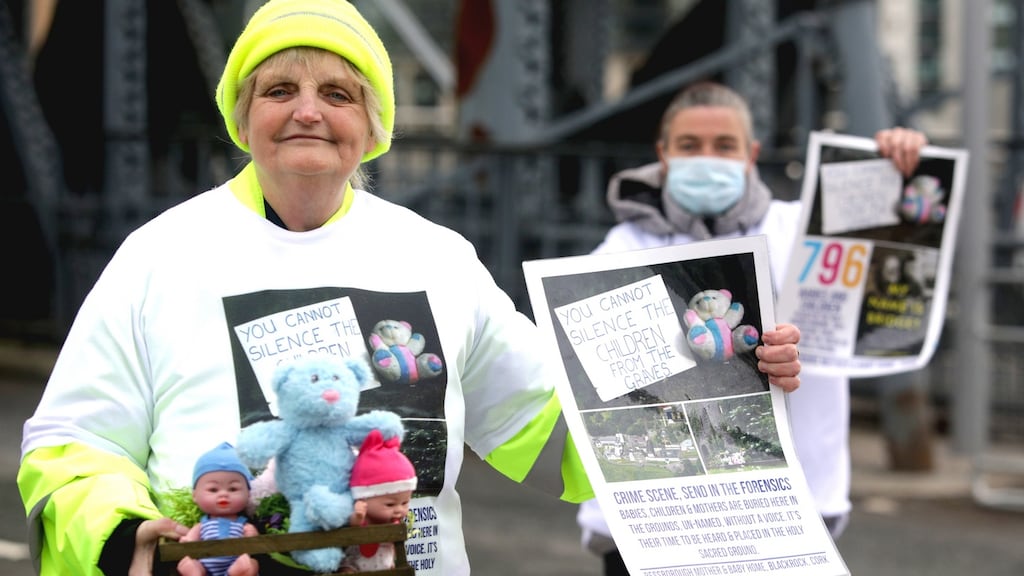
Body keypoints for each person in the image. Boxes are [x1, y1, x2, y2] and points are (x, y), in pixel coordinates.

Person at [16, 2, 803, 575]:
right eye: (278, 89)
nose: (307, 113)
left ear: (374, 122)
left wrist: (730, 376)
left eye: (338, 92)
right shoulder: (160, 254)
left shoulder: (435, 258)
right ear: (242, 113)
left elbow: (566, 416)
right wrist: (131, 540)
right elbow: (71, 445)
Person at [575, 81, 928, 575]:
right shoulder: (619, 247)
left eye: (724, 146)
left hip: (789, 510)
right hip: (655, 520)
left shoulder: (806, 232)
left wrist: (895, 167)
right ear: (662, 154)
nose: (707, 158)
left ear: (752, 153)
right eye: (689, 145)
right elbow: (588, 363)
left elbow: (894, 269)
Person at [339, 429, 418, 573]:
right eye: (390, 504)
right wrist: (358, 516)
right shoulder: (363, 516)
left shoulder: (394, 524)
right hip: (355, 566)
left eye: (405, 503)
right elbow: (353, 525)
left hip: (385, 568)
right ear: (363, 497)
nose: (399, 509)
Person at [178, 442, 260, 576]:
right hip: (207, 570)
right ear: (194, 496)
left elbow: (253, 542)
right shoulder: (201, 526)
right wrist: (188, 540)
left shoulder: (243, 524)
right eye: (213, 489)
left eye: (233, 489)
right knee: (187, 563)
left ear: (248, 494)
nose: (223, 494)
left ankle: (238, 572)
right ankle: (196, 572)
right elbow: (191, 539)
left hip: (235, 565)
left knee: (250, 564)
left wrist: (251, 534)